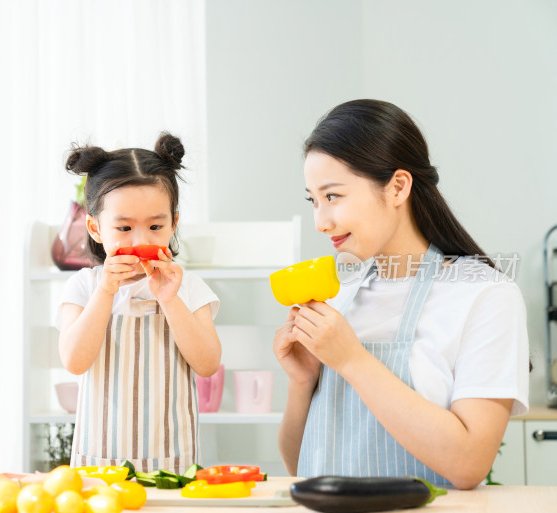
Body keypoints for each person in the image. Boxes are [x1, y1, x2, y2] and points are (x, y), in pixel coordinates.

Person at [274, 99, 529, 489]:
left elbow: (469, 463)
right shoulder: (337, 294)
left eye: (334, 196)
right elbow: (300, 467)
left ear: (397, 187)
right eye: (314, 200)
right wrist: (302, 382)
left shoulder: (486, 295)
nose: (321, 221)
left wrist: (352, 360)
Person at [59, 132, 222, 473]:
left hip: (172, 462)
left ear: (173, 223)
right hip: (99, 464)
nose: (140, 240)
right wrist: (105, 292)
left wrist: (170, 299)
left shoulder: (189, 288)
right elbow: (74, 361)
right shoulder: (84, 287)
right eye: (123, 228)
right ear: (95, 228)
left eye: (155, 225)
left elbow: (207, 364)